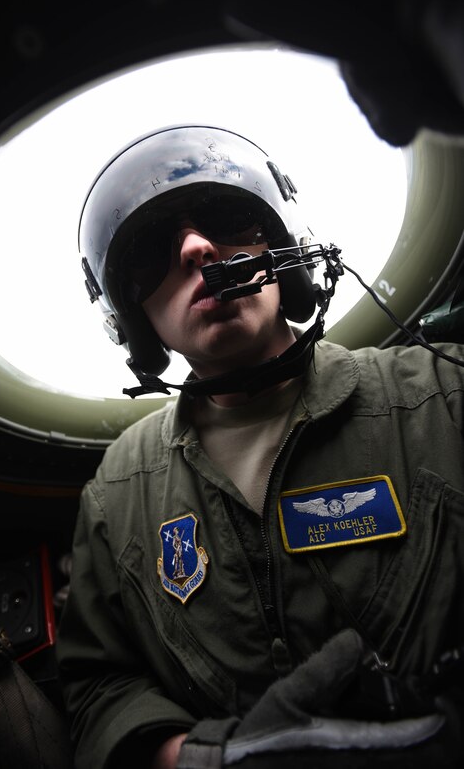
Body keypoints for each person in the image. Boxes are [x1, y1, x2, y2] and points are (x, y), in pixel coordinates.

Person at [56, 124, 464, 769]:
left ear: (282, 250)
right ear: (133, 314)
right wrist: (207, 760)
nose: (196, 248)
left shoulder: (444, 395)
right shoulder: (118, 487)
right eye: (151, 251)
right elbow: (100, 687)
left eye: (227, 218)